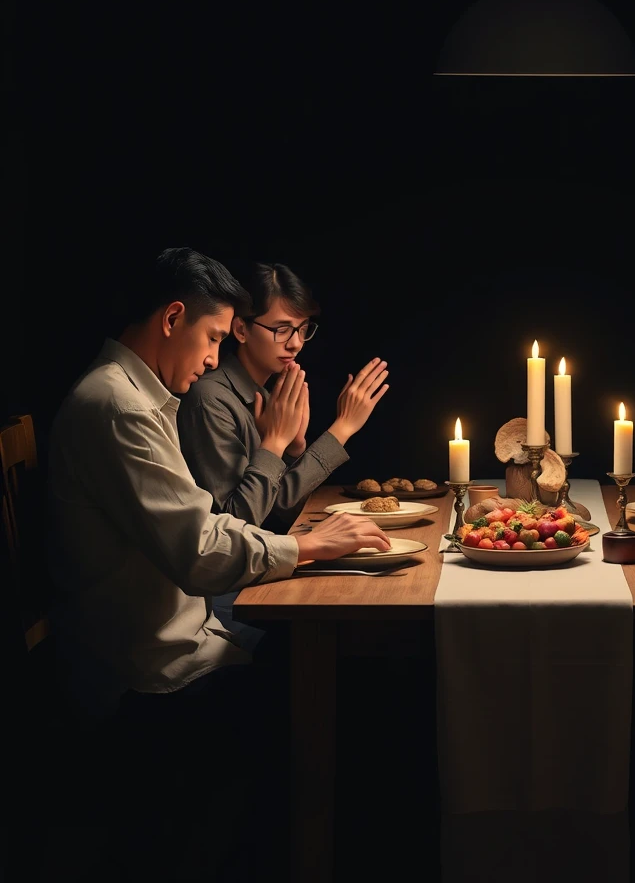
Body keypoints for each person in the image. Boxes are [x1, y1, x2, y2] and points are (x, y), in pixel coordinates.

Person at [44, 247, 392, 880]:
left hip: (178, 633)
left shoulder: (139, 395)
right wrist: (311, 544)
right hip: (148, 666)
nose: (213, 358)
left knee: (330, 666)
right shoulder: (119, 406)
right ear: (173, 317)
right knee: (346, 695)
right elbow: (204, 553)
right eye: (211, 337)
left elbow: (208, 523)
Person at [175, 260, 389, 641]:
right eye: (281, 329)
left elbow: (281, 507)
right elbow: (241, 523)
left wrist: (296, 449)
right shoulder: (210, 399)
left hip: (257, 572)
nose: (295, 343)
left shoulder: (269, 393)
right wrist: (339, 430)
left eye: (303, 329)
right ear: (240, 328)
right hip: (219, 596)